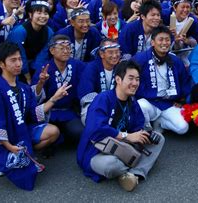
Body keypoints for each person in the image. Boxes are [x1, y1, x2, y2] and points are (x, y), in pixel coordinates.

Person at [0, 42, 71, 190]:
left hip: (21, 132)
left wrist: (54, 98)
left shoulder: (22, 87)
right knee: (19, 170)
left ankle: (27, 154)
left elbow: (34, 113)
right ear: (1, 63)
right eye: (13, 60)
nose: (18, 64)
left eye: (20, 59)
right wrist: (9, 146)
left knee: (53, 132)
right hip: (5, 140)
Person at [77, 60, 165, 192]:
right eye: (131, 78)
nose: (135, 83)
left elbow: (137, 126)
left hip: (123, 147)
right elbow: (95, 130)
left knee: (159, 139)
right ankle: (132, 169)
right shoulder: (103, 98)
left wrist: (145, 134)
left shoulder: (132, 102)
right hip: (98, 150)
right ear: (118, 79)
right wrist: (127, 136)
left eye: (137, 79)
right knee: (109, 165)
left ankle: (135, 174)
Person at [133, 26, 190, 134]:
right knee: (141, 106)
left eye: (167, 40)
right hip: (148, 101)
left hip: (168, 103)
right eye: (161, 39)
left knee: (183, 128)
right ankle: (145, 131)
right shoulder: (140, 59)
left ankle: (160, 122)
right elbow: (131, 82)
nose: (164, 43)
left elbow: (184, 82)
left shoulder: (175, 60)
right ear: (153, 42)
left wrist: (181, 101)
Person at [32, 35, 86, 144]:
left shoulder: (77, 65)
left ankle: (62, 137)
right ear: (52, 50)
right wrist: (41, 83)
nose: (66, 51)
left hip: (68, 111)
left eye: (68, 48)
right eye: (62, 48)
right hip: (49, 113)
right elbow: (34, 97)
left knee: (79, 133)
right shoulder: (45, 68)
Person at [7, 0, 53, 84]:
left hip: (34, 65)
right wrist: (27, 75)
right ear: (30, 15)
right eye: (39, 13)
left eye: (45, 13)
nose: (43, 16)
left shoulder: (49, 31)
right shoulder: (19, 31)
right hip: (17, 65)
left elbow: (43, 54)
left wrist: (36, 75)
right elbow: (19, 54)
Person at [77, 39, 121, 124]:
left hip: (116, 105)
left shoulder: (121, 67)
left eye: (117, 52)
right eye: (111, 52)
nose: (115, 55)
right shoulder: (92, 68)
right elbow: (86, 95)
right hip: (95, 106)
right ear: (102, 54)